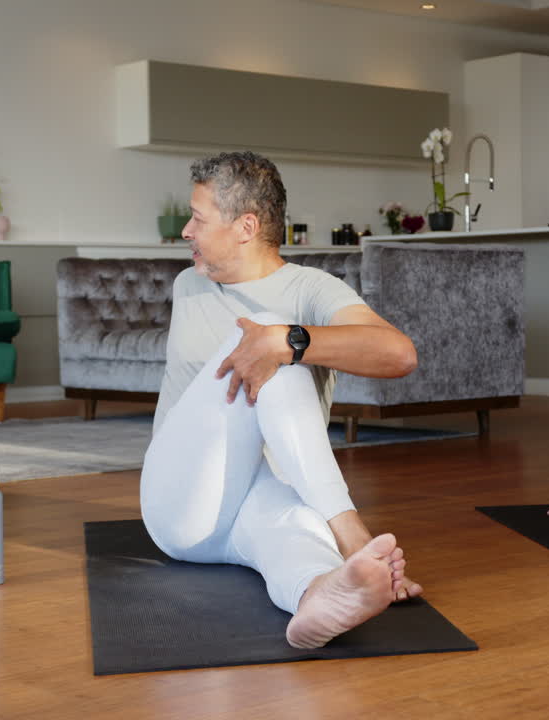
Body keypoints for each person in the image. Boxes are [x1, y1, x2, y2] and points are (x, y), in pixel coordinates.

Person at [141, 151, 422, 649]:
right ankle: (350, 532)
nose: (186, 230)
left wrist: (291, 340)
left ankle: (317, 592)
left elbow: (398, 354)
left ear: (245, 226)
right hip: (179, 502)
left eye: (199, 218)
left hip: (259, 505)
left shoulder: (313, 288)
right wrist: (279, 343)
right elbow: (262, 347)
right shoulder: (190, 283)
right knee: (265, 342)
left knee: (296, 536)